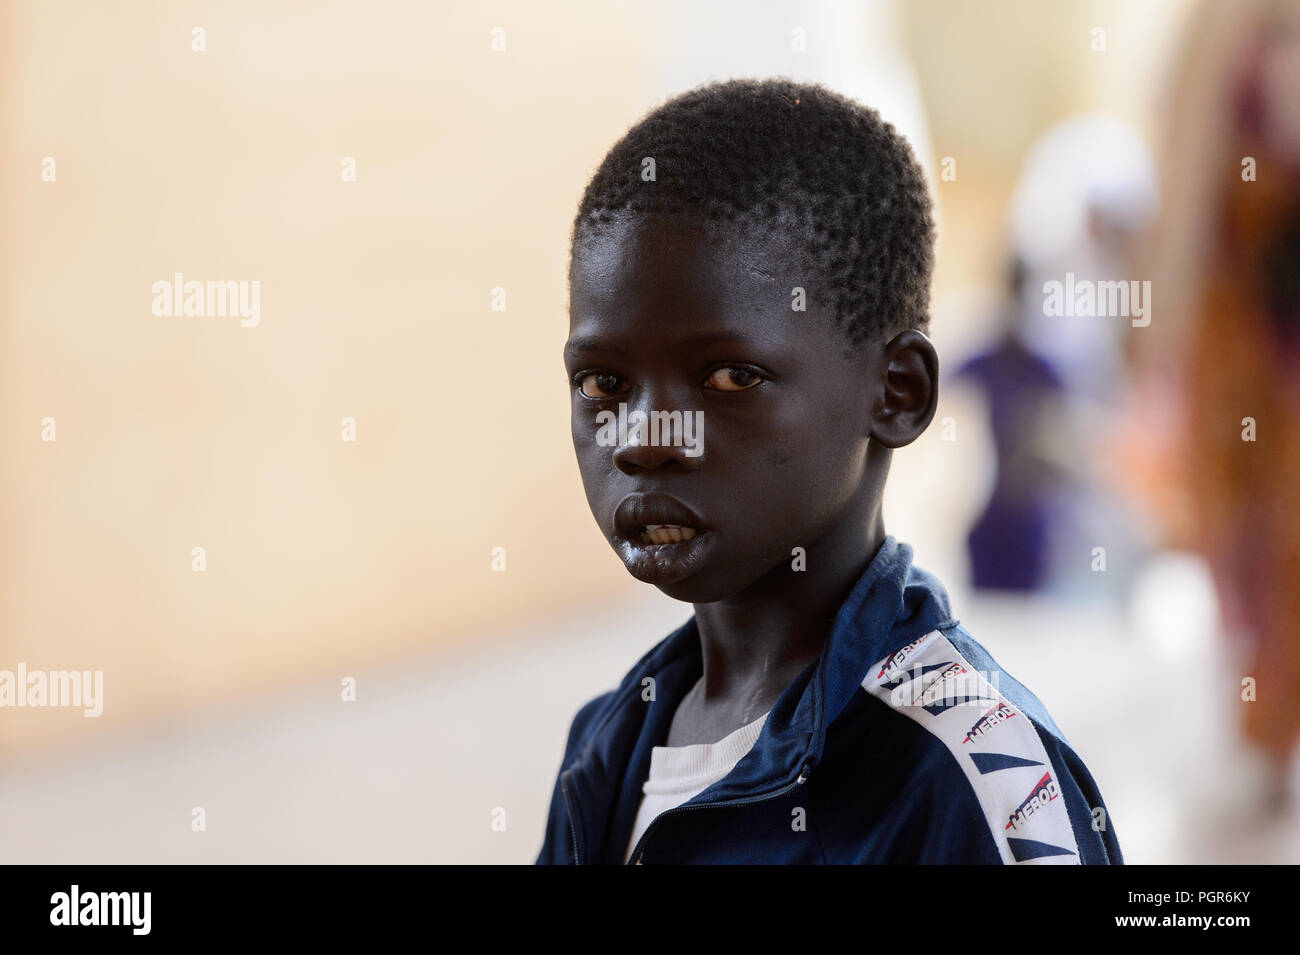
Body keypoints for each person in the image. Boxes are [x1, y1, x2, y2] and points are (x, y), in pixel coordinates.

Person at [536, 78, 1121, 865]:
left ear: (897, 392)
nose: (643, 439)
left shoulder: (979, 780)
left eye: (729, 378)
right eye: (603, 384)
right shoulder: (606, 745)